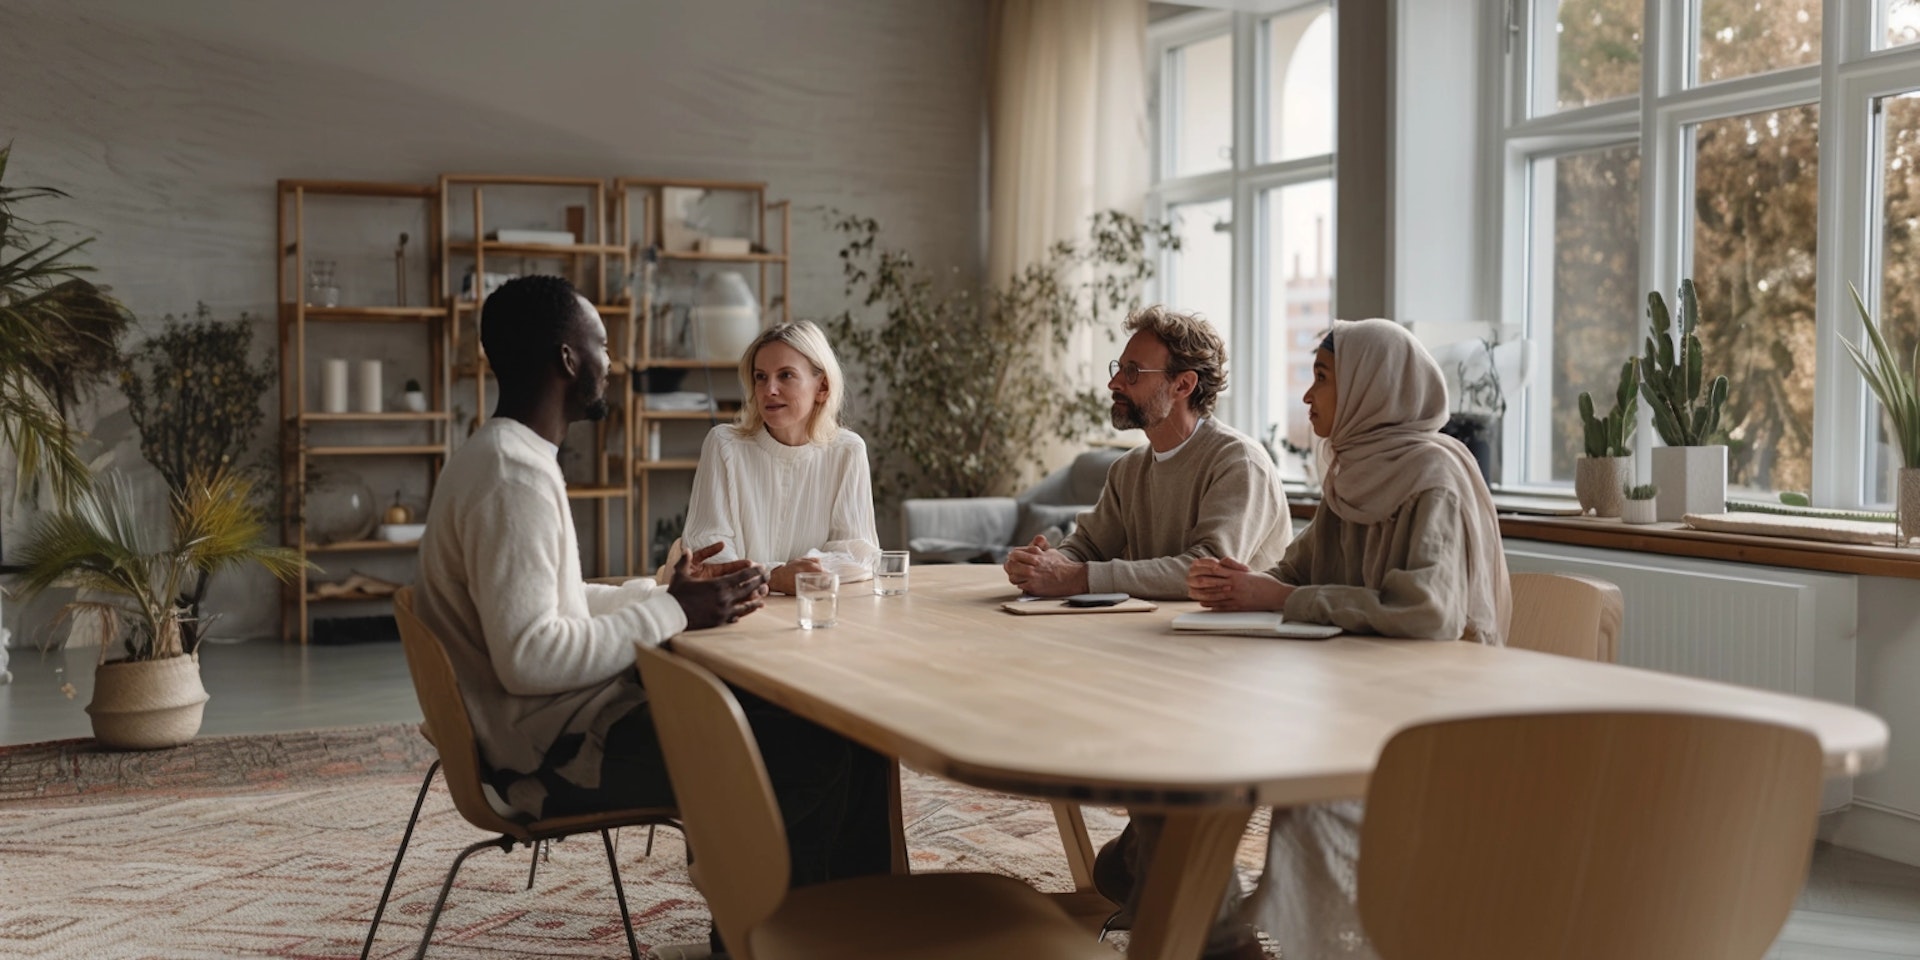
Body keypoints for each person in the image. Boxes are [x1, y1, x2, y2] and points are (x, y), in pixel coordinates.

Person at [414, 277, 892, 919]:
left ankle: (853, 927)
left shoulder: (505, 455)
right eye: (602, 345)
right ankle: (782, 935)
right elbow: (530, 658)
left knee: (842, 732)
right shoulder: (513, 477)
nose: (613, 363)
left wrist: (661, 590)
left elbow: (556, 603)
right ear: (566, 359)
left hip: (557, 726)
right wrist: (674, 611)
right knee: (821, 749)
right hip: (548, 756)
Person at [1186, 317, 1512, 959]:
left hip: (1432, 711)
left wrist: (1281, 598)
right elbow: (1297, 571)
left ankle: (1276, 931)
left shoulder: (1432, 478)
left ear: (1373, 388)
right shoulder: (1352, 475)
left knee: (1304, 796)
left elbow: (1429, 614)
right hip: (1364, 693)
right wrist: (1239, 582)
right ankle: (1194, 902)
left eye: (1323, 378)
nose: (1308, 396)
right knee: (1213, 744)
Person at [1002, 305, 1291, 601]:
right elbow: (1088, 546)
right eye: (1119, 368)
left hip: (1229, 641)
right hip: (1153, 631)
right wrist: (1045, 564)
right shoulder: (1128, 469)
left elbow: (1207, 570)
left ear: (1183, 385)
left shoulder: (1239, 463)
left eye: (1133, 372)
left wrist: (1075, 577)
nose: (1114, 384)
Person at [683, 319, 880, 595]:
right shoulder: (724, 445)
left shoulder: (848, 451)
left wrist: (796, 576)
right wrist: (773, 577)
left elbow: (859, 554)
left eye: (785, 375)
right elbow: (706, 548)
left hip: (816, 611)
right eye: (760, 376)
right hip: (738, 610)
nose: (768, 390)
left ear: (822, 387)